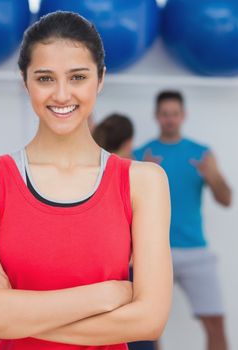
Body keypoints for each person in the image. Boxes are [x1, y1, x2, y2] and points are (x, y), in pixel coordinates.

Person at [0, 11, 172, 349]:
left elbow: (150, 319)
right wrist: (107, 294)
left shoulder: (143, 182)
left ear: (100, 79)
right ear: (24, 80)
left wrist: (13, 308)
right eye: (44, 78)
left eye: (77, 77)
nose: (61, 94)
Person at [134, 90, 232, 350]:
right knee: (148, 327)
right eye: (165, 114)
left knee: (215, 322)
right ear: (157, 116)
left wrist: (212, 177)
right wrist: (141, 174)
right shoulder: (141, 154)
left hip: (195, 250)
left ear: (183, 116)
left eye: (174, 114)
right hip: (154, 252)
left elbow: (226, 199)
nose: (170, 119)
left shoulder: (201, 154)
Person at [93, 113, 159, 350]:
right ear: (130, 142)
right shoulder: (136, 176)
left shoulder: (89, 173)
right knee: (140, 336)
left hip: (99, 275)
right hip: (129, 273)